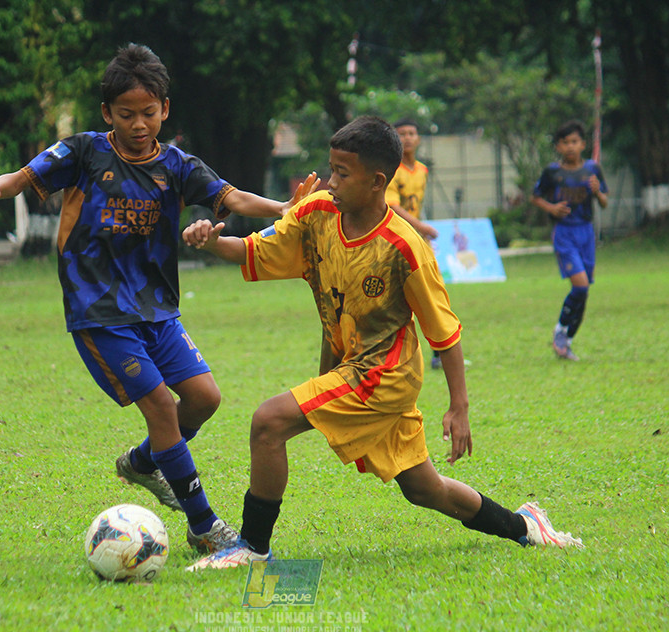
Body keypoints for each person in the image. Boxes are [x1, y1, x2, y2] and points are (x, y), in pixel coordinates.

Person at [182, 116, 582, 571]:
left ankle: (252, 548)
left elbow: (445, 334)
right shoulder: (316, 215)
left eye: (342, 173)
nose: (331, 182)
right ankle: (526, 526)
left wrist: (459, 407)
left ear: (376, 182)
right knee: (424, 489)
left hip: (383, 375)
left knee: (268, 423)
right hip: (357, 368)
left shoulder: (404, 247)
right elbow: (257, 250)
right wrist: (211, 242)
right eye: (331, 168)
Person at [0, 43, 318, 555]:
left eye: (148, 113)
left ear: (165, 110)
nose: (138, 124)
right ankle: (204, 525)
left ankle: (143, 463)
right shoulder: (83, 151)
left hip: (156, 308)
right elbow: (22, 178)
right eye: (127, 114)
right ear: (107, 113)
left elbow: (230, 196)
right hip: (99, 311)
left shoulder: (177, 164)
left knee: (204, 399)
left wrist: (283, 207)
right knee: (159, 406)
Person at [531, 119, 608, 361]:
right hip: (564, 233)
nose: (571, 147)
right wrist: (551, 208)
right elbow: (535, 196)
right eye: (565, 143)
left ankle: (567, 340)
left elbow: (605, 202)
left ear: (583, 144)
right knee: (581, 285)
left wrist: (597, 192)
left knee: (583, 292)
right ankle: (560, 331)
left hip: (586, 232)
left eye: (574, 141)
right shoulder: (553, 172)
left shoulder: (593, 169)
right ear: (558, 147)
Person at [384, 117, 443, 370]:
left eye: (411, 133)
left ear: (418, 138)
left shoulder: (422, 170)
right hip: (395, 239)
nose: (407, 138)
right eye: (402, 134)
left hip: (417, 240)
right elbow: (393, 207)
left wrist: (420, 230)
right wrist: (422, 227)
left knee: (434, 292)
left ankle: (440, 350)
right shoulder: (389, 170)